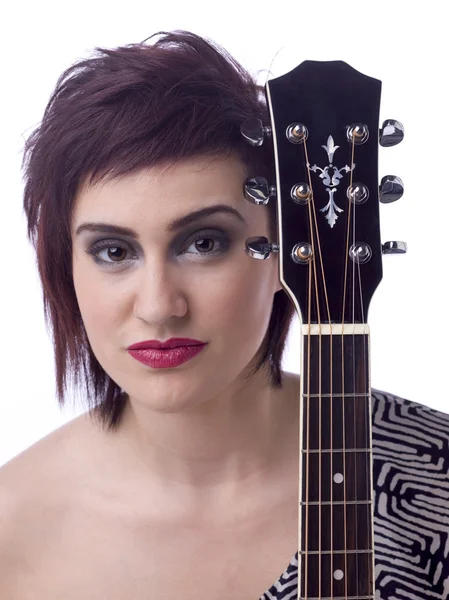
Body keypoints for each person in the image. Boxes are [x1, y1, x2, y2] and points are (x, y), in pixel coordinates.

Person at [0, 29, 448, 600]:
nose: (160, 306)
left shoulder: (437, 483)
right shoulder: (11, 533)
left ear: (287, 245)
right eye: (114, 252)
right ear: (67, 267)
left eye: (204, 243)